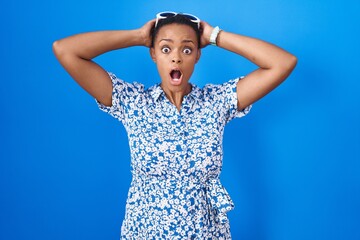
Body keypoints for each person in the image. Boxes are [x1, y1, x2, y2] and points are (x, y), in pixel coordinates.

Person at [53, 11, 297, 239]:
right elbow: (65, 50)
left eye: (187, 50)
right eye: (166, 48)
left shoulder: (216, 102)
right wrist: (138, 36)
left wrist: (215, 36)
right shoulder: (133, 102)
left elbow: (282, 62)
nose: (176, 57)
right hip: (146, 232)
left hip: (207, 233)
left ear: (198, 56)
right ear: (153, 54)